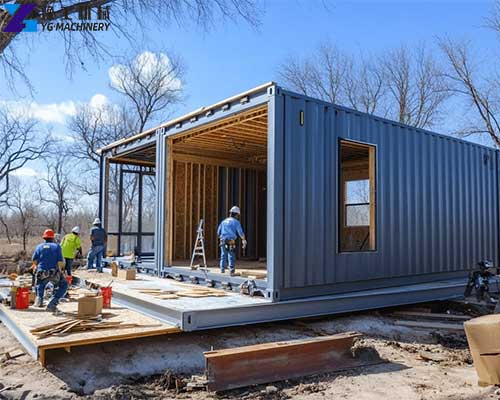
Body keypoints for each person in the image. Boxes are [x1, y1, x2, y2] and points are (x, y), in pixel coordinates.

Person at [32, 229, 68, 314]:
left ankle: (39, 301)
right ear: (53, 238)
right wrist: (61, 272)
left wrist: (36, 268)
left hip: (41, 272)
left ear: (44, 237)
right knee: (64, 285)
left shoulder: (39, 247)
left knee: (40, 284)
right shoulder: (56, 246)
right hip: (53, 273)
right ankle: (52, 304)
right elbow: (60, 262)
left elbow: (34, 261)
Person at [217, 206, 247, 275]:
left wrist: (222, 237)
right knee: (231, 255)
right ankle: (231, 270)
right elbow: (240, 232)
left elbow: (218, 232)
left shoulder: (223, 221)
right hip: (231, 241)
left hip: (223, 240)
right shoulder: (236, 222)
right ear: (236, 214)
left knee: (223, 255)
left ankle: (222, 269)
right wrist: (244, 240)